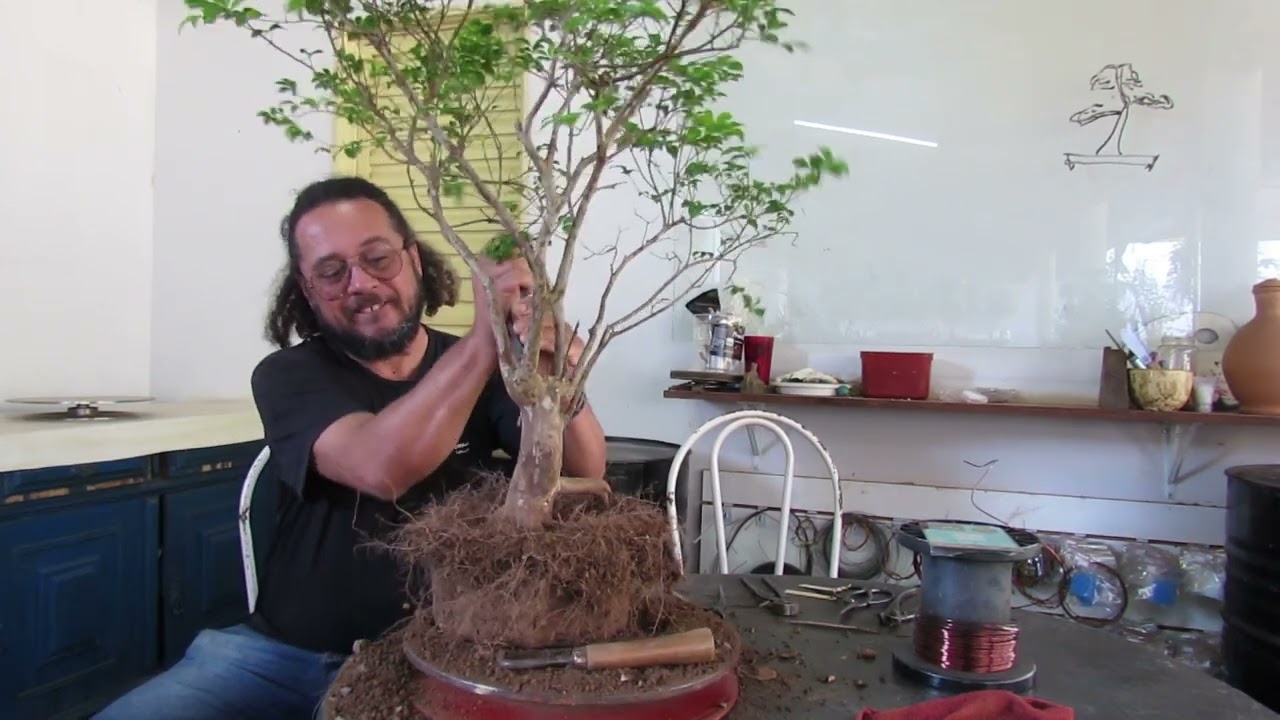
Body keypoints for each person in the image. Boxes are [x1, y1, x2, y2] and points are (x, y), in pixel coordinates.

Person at [93, 176, 608, 720]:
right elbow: (381, 467)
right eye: (332, 272)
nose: (360, 283)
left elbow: (585, 467)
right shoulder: (289, 376)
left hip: (439, 657)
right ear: (307, 289)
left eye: (378, 258)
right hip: (280, 655)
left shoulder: (487, 365)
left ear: (413, 258)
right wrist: (486, 339)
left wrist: (554, 371)